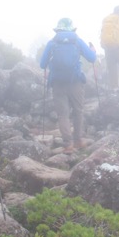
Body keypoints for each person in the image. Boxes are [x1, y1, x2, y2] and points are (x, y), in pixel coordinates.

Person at [39, 18, 97, 154]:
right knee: (78, 111)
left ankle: (68, 144)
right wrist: (92, 50)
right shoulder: (77, 41)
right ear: (72, 29)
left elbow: (42, 64)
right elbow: (92, 58)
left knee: (63, 114)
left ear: (58, 29)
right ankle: (78, 140)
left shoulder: (52, 43)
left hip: (58, 83)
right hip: (75, 82)